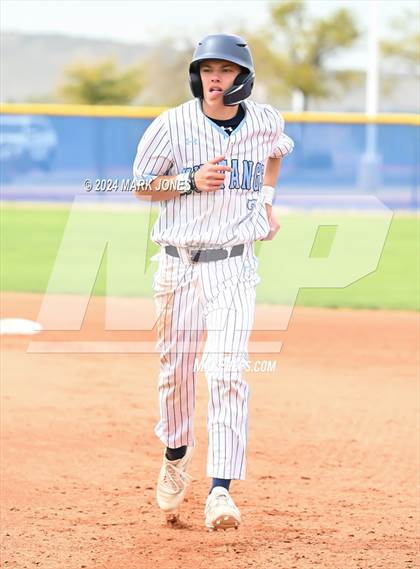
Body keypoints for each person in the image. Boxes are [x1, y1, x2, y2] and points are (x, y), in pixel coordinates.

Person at [133, 33, 294, 531]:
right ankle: (176, 455)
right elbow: (141, 185)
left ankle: (220, 491)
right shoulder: (171, 125)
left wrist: (266, 200)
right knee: (176, 371)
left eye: (224, 70)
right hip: (179, 265)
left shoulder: (265, 121)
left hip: (234, 265)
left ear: (242, 77)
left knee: (226, 371)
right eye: (207, 71)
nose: (214, 79)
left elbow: (278, 150)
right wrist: (187, 180)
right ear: (197, 76)